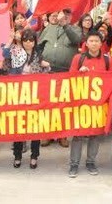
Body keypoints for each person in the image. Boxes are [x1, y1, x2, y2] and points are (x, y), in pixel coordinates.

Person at [68, 31, 111, 178]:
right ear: (86, 43)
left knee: (95, 134)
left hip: (99, 104)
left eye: (96, 41)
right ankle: (74, 164)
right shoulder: (78, 58)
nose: (94, 43)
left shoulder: (107, 60)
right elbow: (68, 79)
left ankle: (91, 162)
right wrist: (78, 72)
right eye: (91, 41)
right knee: (78, 134)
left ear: (101, 43)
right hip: (81, 103)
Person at [39, 8, 82, 148]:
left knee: (63, 105)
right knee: (48, 104)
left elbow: (77, 40)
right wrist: (40, 59)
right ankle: (47, 134)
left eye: (67, 13)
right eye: (62, 13)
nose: (63, 15)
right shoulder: (49, 28)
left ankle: (62, 135)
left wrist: (65, 25)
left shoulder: (76, 29)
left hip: (66, 72)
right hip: (48, 72)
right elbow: (39, 46)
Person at [10, 29, 49, 169]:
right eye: (25, 39)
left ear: (34, 42)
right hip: (18, 94)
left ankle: (34, 156)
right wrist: (11, 40)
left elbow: (44, 75)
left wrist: (46, 66)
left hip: (34, 95)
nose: (28, 42)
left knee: (35, 127)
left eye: (31, 40)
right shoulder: (15, 51)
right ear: (21, 40)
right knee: (19, 127)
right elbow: (4, 56)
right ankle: (17, 155)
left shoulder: (38, 55)